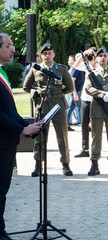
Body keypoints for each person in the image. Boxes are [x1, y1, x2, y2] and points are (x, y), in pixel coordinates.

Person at [0, 33, 43, 240]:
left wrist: (27, 124)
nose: (13, 49)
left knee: (2, 190)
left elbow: (10, 111)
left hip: (7, 142)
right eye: (8, 45)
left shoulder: (2, 73)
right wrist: (21, 130)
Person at [23, 43, 74, 177]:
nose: (47, 55)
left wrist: (58, 94)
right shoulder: (36, 69)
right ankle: (38, 165)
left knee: (62, 136)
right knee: (39, 137)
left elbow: (70, 87)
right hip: (42, 106)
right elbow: (26, 86)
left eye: (49, 53)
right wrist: (36, 93)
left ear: (54, 54)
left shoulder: (61, 69)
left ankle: (65, 164)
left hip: (58, 106)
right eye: (44, 53)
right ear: (41, 55)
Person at [85, 48, 108, 176]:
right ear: (96, 58)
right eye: (99, 56)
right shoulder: (92, 73)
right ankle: (94, 164)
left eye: (104, 55)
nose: (102, 58)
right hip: (96, 109)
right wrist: (102, 94)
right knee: (96, 137)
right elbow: (88, 88)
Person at [74, 48, 97, 158]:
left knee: (96, 125)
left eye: (93, 55)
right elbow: (76, 65)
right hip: (85, 98)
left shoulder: (99, 67)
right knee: (84, 124)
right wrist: (84, 54)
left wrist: (94, 60)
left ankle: (95, 148)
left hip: (96, 100)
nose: (91, 57)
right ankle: (85, 149)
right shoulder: (86, 65)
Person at [66, 54, 85, 130]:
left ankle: (66, 124)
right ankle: (85, 125)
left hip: (78, 91)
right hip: (77, 91)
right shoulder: (77, 69)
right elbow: (72, 81)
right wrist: (75, 93)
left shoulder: (80, 68)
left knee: (70, 108)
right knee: (81, 108)